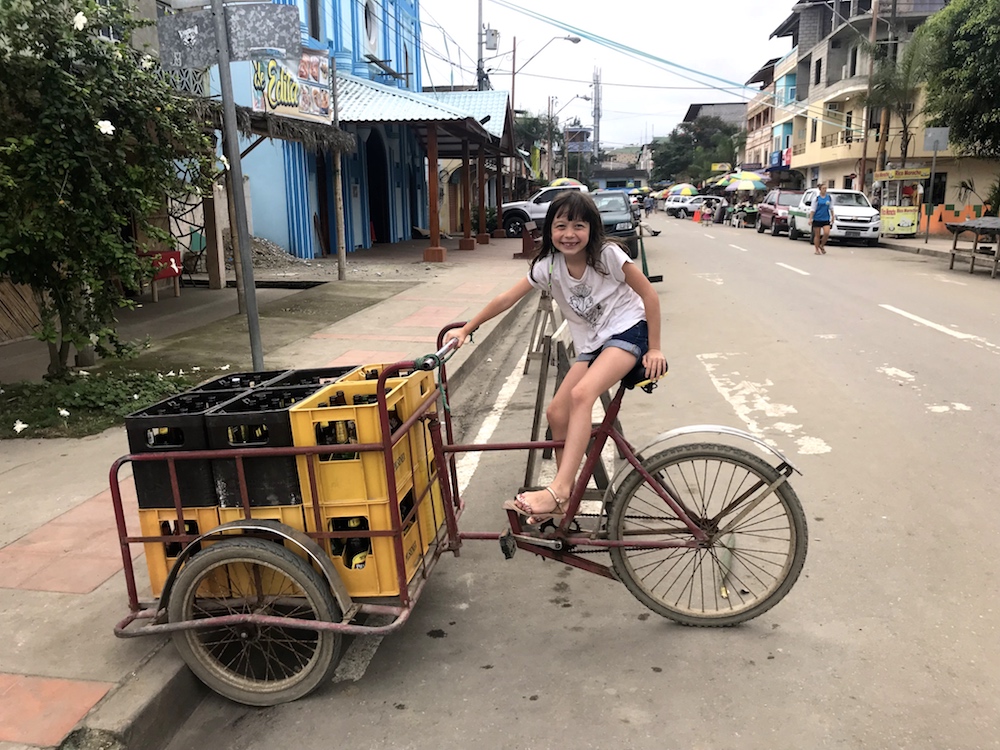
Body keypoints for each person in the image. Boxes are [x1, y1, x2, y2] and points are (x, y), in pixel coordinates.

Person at [446, 191, 666, 523]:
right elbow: (506, 298)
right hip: (596, 344)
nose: (569, 234)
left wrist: (655, 347)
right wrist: (467, 329)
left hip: (629, 332)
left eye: (578, 226)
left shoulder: (608, 255)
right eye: (561, 226)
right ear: (549, 230)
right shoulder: (548, 267)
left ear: (592, 229)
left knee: (582, 394)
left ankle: (560, 489)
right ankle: (566, 497)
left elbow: (649, 294)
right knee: (556, 412)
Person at [810, 183, 835, 255]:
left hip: (826, 218)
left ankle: (822, 245)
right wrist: (810, 219)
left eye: (826, 188)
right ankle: (816, 249)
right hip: (817, 218)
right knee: (817, 235)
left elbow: (831, 208)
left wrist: (833, 217)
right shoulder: (816, 199)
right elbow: (813, 209)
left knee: (826, 233)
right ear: (820, 189)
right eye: (823, 188)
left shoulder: (829, 198)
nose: (825, 190)